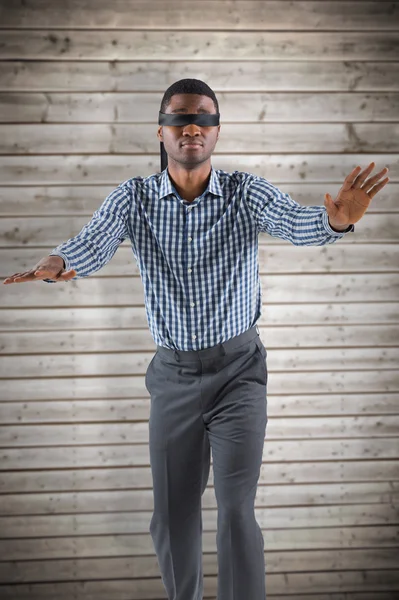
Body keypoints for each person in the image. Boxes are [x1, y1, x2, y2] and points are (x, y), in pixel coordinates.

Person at [2, 79, 390, 600]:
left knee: (235, 508)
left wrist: (334, 222)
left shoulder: (245, 193)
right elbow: (89, 245)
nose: (192, 126)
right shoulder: (134, 198)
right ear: (161, 131)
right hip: (173, 379)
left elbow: (296, 222)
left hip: (239, 374)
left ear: (216, 132)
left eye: (203, 117)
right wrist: (57, 263)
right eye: (180, 116)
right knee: (172, 516)